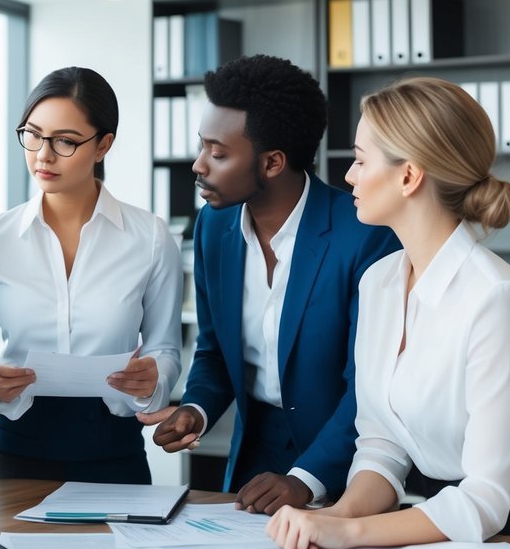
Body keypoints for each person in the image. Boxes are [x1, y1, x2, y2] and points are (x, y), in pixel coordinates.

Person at [268, 77, 510, 549]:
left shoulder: (496, 299)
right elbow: (383, 443)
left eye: (361, 160)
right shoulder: (380, 281)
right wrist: (335, 516)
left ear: (409, 176)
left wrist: (350, 532)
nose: (347, 175)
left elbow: (487, 499)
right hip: (442, 523)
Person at [141, 54, 399, 513]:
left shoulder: (366, 235)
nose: (198, 165)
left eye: (217, 153)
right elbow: (215, 349)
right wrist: (195, 409)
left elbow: (370, 386)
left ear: (273, 162)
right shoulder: (212, 228)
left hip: (343, 468)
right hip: (251, 460)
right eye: (202, 147)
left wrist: (306, 478)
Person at [0, 67, 182, 484]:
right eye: (33, 135)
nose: (43, 154)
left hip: (114, 452)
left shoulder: (149, 236)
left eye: (65, 141)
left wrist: (153, 380)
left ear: (103, 146)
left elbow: (166, 349)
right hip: (15, 453)